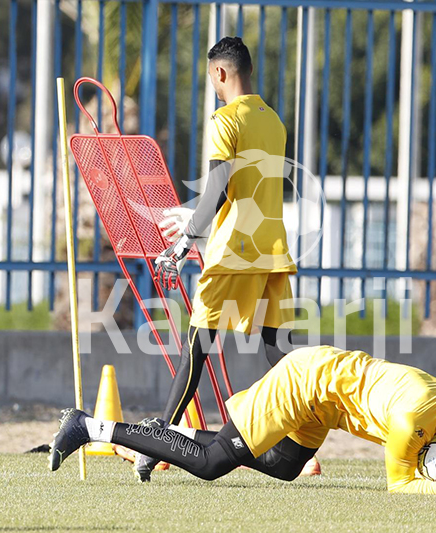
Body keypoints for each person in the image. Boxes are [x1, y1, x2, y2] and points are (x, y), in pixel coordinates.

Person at [138, 36, 308, 480]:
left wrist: (181, 243)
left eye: (210, 78)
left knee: (197, 350)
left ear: (220, 73)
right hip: (273, 249)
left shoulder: (224, 119)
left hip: (233, 250)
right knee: (283, 354)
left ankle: (155, 445)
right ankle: (309, 438)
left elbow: (217, 190)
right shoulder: (273, 121)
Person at [49, 345, 436, 494]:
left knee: (287, 466)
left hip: (324, 402)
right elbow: (400, 484)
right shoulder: (415, 416)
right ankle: (88, 426)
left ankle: (164, 436)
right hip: (304, 385)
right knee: (212, 464)